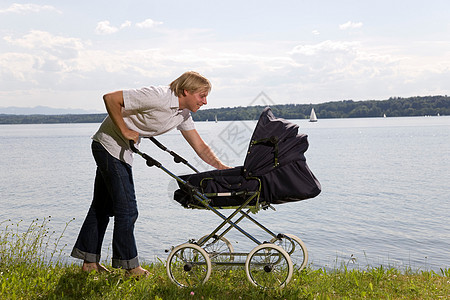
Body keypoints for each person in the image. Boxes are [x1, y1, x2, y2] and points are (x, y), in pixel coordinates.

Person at [71, 71, 229, 276]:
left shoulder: (182, 114)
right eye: (202, 96)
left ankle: (89, 263)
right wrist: (126, 131)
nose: (205, 101)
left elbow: (199, 146)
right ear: (186, 91)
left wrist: (222, 168)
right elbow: (110, 99)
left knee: (102, 207)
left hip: (120, 151)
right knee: (127, 210)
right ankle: (130, 267)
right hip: (108, 146)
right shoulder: (158, 95)